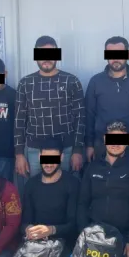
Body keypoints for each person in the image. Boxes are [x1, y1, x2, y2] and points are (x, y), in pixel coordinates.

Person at [79, 121, 129, 257]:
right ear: (105, 139)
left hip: (126, 236)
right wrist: (84, 234)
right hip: (96, 234)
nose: (115, 144)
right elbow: (82, 203)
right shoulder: (93, 167)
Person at [14, 36, 86, 181]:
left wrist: (78, 150)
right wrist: (19, 154)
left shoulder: (71, 81)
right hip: (35, 151)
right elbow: (19, 121)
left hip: (66, 150)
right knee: (36, 189)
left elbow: (80, 118)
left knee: (67, 189)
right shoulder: (25, 83)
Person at [85, 36, 129, 163]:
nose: (115, 59)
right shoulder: (96, 82)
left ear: (128, 55)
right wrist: (89, 145)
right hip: (102, 145)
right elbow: (89, 115)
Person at [21, 139, 80, 256]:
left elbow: (74, 224)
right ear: (39, 157)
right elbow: (24, 221)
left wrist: (51, 230)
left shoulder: (72, 184)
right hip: (35, 244)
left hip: (63, 244)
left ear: (61, 157)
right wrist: (28, 229)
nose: (48, 164)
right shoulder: (31, 184)